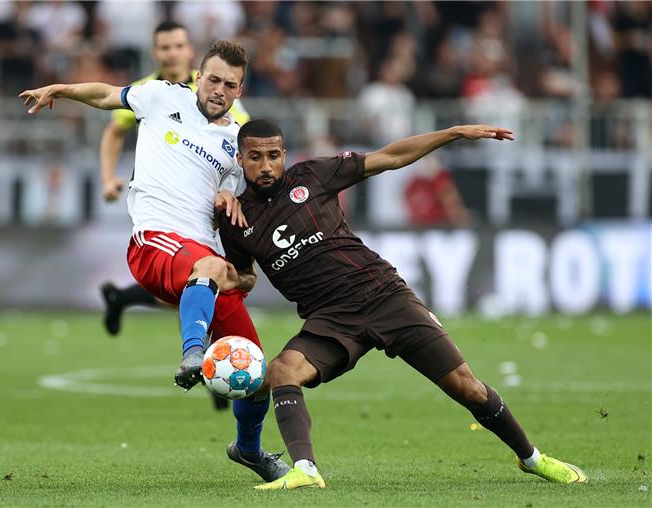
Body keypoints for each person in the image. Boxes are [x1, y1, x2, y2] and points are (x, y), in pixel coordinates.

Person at [218, 119, 588, 489]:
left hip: (383, 295)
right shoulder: (236, 218)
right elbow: (246, 276)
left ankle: (532, 458)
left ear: (284, 155)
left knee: (467, 387)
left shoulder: (312, 176)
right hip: (331, 318)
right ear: (240, 158)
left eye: (273, 156)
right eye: (255, 157)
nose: (265, 166)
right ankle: (305, 470)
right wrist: (226, 278)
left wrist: (453, 133)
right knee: (283, 370)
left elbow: (391, 157)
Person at [19, 40, 288, 482]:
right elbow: (107, 96)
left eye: (231, 84)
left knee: (255, 370)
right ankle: (192, 355)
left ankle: (249, 449)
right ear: (198, 77)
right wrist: (62, 89)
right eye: (214, 79)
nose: (220, 89)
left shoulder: (237, 145)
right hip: (155, 242)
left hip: (206, 258)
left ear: (240, 91)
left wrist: (231, 204)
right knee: (210, 271)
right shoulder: (162, 94)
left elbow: (245, 210)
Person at [99, 21, 249, 339]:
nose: (172, 53)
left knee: (198, 288)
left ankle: (124, 298)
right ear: (155, 53)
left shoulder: (219, 90)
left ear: (190, 51)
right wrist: (108, 177)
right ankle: (209, 366)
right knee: (197, 284)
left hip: (207, 210)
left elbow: (244, 152)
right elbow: (114, 131)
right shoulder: (149, 91)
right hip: (162, 206)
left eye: (179, 46)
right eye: (165, 47)